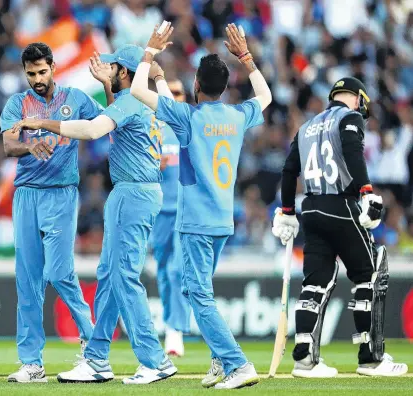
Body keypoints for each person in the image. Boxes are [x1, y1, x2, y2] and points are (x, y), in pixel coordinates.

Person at [12, 45, 177, 385]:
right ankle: (97, 359)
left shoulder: (133, 101)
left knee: (124, 278)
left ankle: (155, 360)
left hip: (133, 192)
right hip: (132, 192)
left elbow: (91, 130)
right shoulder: (141, 102)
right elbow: (117, 121)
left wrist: (42, 121)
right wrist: (115, 82)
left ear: (127, 72)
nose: (109, 69)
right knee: (108, 275)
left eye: (114, 66)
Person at [131, 22, 272, 389]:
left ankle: (237, 364)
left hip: (194, 222)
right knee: (202, 291)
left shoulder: (187, 117)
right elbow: (267, 97)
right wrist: (247, 58)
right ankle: (217, 362)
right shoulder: (238, 115)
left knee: (197, 294)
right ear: (224, 88)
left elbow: (135, 89)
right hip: (223, 221)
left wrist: (149, 53)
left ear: (195, 86)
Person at [272, 77, 409, 378]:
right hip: (341, 206)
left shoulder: (306, 127)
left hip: (311, 209)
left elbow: (288, 170)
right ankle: (371, 358)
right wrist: (367, 191)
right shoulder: (350, 117)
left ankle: (305, 360)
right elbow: (351, 151)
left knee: (315, 282)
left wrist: (286, 212)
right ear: (358, 98)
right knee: (370, 275)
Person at [0, 42, 101, 383]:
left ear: (53, 67)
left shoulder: (75, 99)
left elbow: (107, 119)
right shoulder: (18, 103)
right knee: (27, 282)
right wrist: (29, 144)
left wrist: (105, 85)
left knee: (59, 272)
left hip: (61, 194)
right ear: (24, 72)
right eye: (31, 74)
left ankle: (94, 347)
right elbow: (9, 145)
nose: (38, 79)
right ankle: (32, 363)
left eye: (42, 72)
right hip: (26, 195)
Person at [151, 78, 192, 357]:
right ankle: (170, 326)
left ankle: (176, 330)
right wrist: (153, 163)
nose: (173, 97)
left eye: (178, 93)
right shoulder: (152, 127)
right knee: (164, 272)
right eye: (170, 92)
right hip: (159, 209)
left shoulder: (190, 126)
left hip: (185, 208)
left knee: (177, 269)